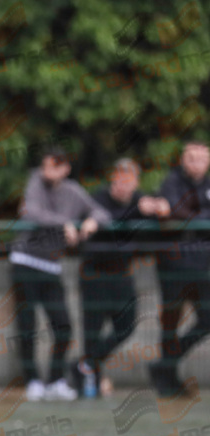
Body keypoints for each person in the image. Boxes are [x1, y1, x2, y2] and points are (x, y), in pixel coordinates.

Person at [11, 147, 110, 401]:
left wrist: (92, 221)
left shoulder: (73, 191)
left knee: (64, 326)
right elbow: (29, 212)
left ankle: (55, 378)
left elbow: (102, 212)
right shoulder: (35, 182)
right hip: (25, 262)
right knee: (27, 325)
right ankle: (33, 380)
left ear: (65, 168)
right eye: (45, 166)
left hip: (51, 266)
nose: (47, 171)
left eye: (53, 166)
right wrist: (63, 223)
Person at [74, 158, 163, 397]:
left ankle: (84, 364)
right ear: (113, 178)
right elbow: (108, 219)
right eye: (119, 177)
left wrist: (157, 209)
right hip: (94, 272)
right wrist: (138, 211)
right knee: (91, 330)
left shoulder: (139, 200)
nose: (123, 183)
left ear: (135, 182)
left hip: (122, 272)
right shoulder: (98, 198)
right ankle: (89, 382)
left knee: (126, 325)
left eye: (129, 179)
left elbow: (152, 223)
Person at [149, 139, 210, 396]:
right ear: (183, 161)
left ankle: (165, 365)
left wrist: (191, 216)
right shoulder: (172, 181)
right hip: (174, 263)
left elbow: (183, 214)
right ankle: (168, 380)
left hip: (203, 264)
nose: (196, 162)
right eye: (191, 157)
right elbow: (174, 211)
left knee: (207, 319)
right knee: (171, 321)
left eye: (201, 157)